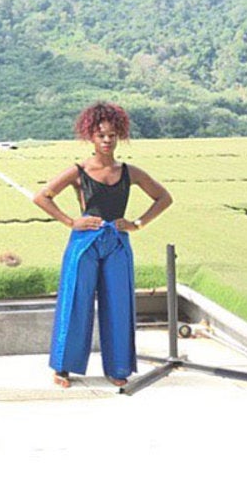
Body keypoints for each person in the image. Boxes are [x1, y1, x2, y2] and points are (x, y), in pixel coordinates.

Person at [32, 102, 173, 388]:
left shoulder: (130, 172)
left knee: (119, 303)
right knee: (76, 301)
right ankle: (63, 367)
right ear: (91, 137)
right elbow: (42, 197)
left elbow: (164, 198)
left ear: (119, 136)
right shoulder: (79, 170)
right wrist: (71, 221)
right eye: (101, 135)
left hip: (117, 243)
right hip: (84, 243)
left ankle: (117, 367)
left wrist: (137, 223)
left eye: (111, 135)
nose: (107, 140)